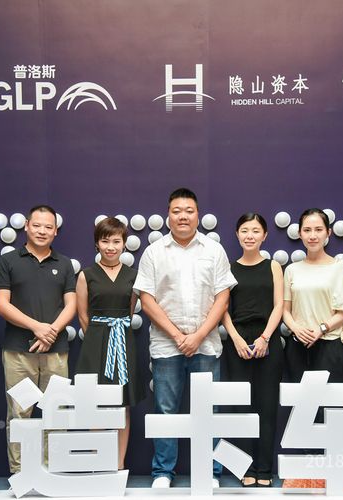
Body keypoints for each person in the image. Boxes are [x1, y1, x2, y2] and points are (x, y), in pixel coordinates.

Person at [134, 188, 237, 489]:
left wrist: (198, 335)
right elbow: (146, 299)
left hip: (206, 343)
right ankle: (163, 472)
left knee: (209, 409)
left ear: (198, 215)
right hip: (167, 344)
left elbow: (223, 297)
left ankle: (211, 471)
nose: (183, 216)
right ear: (168, 215)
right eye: (177, 211)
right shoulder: (154, 252)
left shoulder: (213, 250)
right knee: (166, 409)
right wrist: (179, 336)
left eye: (189, 211)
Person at [0, 205, 77, 474]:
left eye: (48, 227)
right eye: (37, 225)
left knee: (56, 412)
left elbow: (72, 305)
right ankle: (21, 473)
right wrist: (36, 327)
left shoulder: (64, 264)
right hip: (18, 351)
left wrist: (51, 331)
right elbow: (1, 304)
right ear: (26, 226)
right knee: (20, 413)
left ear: (56, 231)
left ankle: (53, 470)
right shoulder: (8, 261)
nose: (42, 231)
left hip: (57, 351)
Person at [76, 217, 145, 470]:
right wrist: (98, 338)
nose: (111, 247)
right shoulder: (86, 275)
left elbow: (129, 311)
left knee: (122, 404)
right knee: (95, 402)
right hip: (95, 343)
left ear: (124, 244)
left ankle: (118, 464)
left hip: (124, 341)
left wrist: (115, 332)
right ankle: (97, 462)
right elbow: (82, 316)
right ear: (97, 244)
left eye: (116, 241)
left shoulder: (133, 276)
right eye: (105, 241)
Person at [221, 213, 283, 487]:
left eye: (255, 231)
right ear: (237, 235)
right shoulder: (228, 268)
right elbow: (222, 309)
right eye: (245, 230)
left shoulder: (274, 266)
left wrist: (265, 337)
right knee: (241, 406)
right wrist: (235, 338)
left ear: (264, 235)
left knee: (266, 405)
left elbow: (279, 305)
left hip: (267, 339)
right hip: (237, 341)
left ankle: (264, 470)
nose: (250, 235)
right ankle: (245, 469)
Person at [282, 208, 343, 385]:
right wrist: (296, 329)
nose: (312, 236)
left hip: (329, 344)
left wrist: (321, 329)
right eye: (307, 230)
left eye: (318, 230)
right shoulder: (292, 269)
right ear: (299, 234)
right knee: (297, 399)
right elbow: (285, 310)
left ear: (328, 232)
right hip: (297, 344)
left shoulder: (341, 268)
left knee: (329, 400)